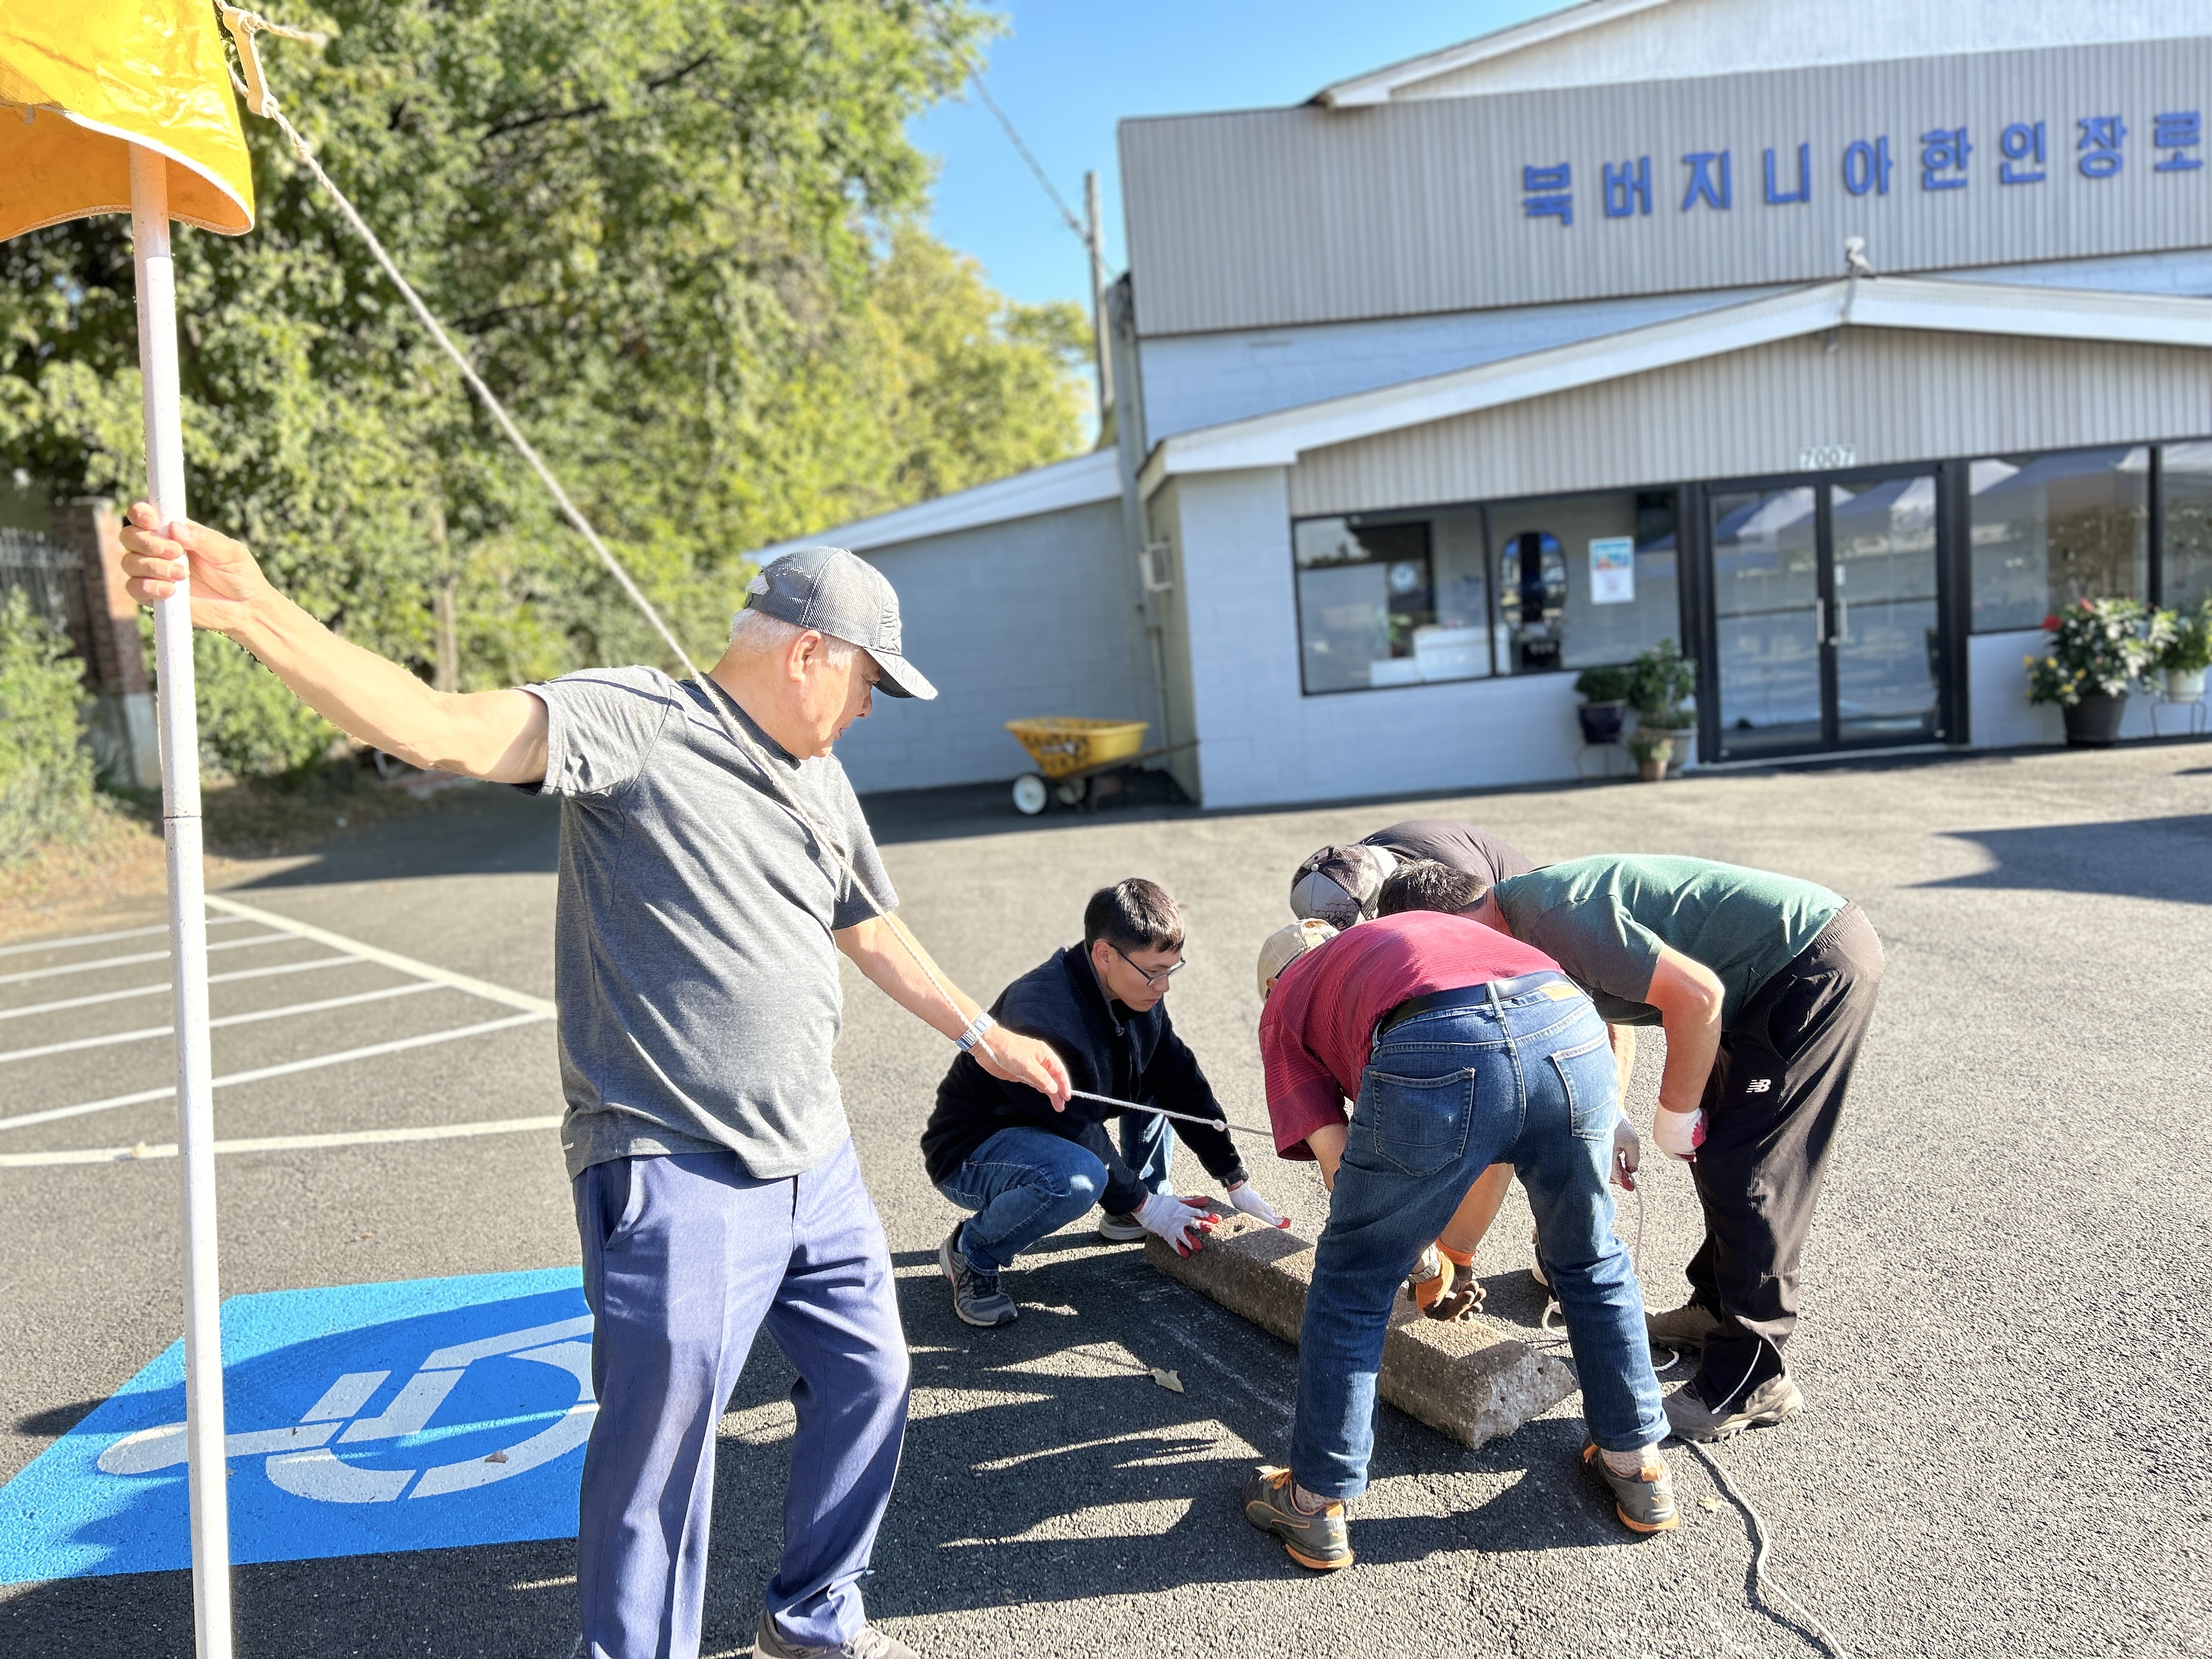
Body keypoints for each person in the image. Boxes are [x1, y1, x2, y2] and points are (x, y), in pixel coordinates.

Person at [117, 510, 1074, 1659]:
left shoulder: (820, 776)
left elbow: (867, 924)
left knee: (871, 1377)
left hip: (814, 1158)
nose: (871, 708)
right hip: (672, 1160)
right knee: (660, 1455)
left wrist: (981, 1031)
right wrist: (255, 610)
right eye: (869, 680)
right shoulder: (636, 720)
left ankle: (813, 1619)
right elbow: (438, 729)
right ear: (808, 652)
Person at [1379, 854, 1884, 1442]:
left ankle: (1752, 1378)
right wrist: (1614, 1116)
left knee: (1749, 1173)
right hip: (1757, 979)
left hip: (1804, 964)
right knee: (1721, 1154)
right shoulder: (1516, 926)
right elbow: (1581, 1018)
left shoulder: (1554, 920)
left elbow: (1698, 998)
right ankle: (1715, 1311)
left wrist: (1674, 1117)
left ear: (1446, 924)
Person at [1239, 912, 1674, 1572]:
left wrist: (1418, 1259)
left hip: (1441, 1043)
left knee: (1353, 1281)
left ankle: (1313, 1502)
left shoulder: (1287, 1000)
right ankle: (1637, 1466)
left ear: (1273, 984)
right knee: (1589, 1256)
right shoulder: (1395, 943)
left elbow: (1344, 1173)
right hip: (1569, 1026)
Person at [922, 879, 1287, 1327]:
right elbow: (1077, 1130)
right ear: (1104, 954)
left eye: (1171, 969)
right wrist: (1148, 1206)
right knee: (1078, 1179)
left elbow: (1180, 1081)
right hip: (974, 1150)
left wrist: (1233, 1177)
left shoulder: (1135, 991)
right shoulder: (1039, 1015)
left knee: (1154, 1078)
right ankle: (972, 1252)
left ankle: (1129, 1209)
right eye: (1154, 972)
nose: (1164, 986)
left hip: (1053, 1126)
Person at [1286, 820, 1551, 1313]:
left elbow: (1492, 1073)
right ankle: (1460, 1261)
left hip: (1550, 977)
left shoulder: (1463, 899)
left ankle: (1559, 1242)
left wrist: (1433, 1258)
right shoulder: (1343, 874)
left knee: (1514, 1110)